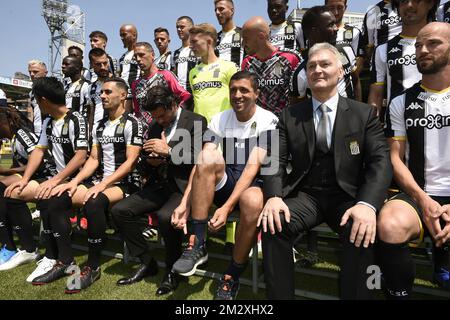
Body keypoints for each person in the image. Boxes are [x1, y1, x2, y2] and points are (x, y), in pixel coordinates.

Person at [259, 42, 392, 300]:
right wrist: (274, 197)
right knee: (273, 224)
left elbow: (380, 161)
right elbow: (273, 158)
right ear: (306, 75)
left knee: (362, 228)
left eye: (325, 64)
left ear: (340, 71)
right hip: (306, 196)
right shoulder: (288, 116)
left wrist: (367, 204)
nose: (317, 70)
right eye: (311, 66)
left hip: (349, 198)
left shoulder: (363, 114)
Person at [171, 71, 278, 300]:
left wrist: (227, 206)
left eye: (244, 90)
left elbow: (251, 169)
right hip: (229, 182)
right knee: (207, 157)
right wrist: (184, 203)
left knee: (252, 200)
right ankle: (198, 244)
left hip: (254, 185)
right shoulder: (220, 118)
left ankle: (232, 274)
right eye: (233, 90)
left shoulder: (269, 119)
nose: (237, 95)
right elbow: (202, 162)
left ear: (256, 94)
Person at [30, 77, 143, 293]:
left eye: (108, 92)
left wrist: (102, 185)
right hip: (103, 182)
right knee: (56, 199)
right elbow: (93, 159)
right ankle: (65, 262)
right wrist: (73, 183)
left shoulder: (132, 123)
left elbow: (130, 163)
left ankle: (92, 266)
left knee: (93, 202)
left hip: (127, 183)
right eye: (101, 92)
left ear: (123, 95)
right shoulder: (99, 125)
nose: (102, 95)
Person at [111, 85, 207, 296]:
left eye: (162, 115)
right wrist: (149, 162)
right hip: (159, 185)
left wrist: (170, 151)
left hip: (184, 188)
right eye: (156, 117)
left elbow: (201, 159)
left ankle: (173, 271)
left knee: (166, 217)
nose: (160, 120)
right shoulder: (155, 126)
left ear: (173, 104)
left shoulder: (196, 121)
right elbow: (147, 157)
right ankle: (147, 261)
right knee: (120, 211)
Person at [378, 22, 450, 299]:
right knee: (389, 223)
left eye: (433, 43)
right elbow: (395, 158)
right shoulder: (401, 102)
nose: (422, 50)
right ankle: (398, 291)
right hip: (419, 193)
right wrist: (423, 200)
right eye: (419, 45)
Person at [4, 77, 88, 283]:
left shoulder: (76, 119)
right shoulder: (49, 122)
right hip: (57, 179)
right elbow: (38, 151)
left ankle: (56, 257)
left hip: (80, 180)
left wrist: (55, 180)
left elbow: (81, 155)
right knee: (13, 193)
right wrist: (24, 179)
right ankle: (30, 250)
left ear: (43, 100)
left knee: (49, 198)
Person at [0, 107, 53, 271]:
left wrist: (8, 172)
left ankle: (12, 246)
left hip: (45, 176)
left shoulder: (23, 135)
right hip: (32, 177)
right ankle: (7, 243)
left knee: (5, 190)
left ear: (5, 123)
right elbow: (10, 166)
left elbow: (38, 161)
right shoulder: (10, 139)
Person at [368, 0, 439, 116]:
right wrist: (371, 129)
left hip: (441, 128)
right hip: (396, 127)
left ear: (430, 3)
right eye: (404, 1)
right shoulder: (382, 50)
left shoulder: (446, 44)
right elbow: (376, 95)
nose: (409, 5)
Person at [291, 6, 361, 102]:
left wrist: (358, 112)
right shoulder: (302, 72)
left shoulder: (346, 49)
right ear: (314, 31)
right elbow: (298, 106)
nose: (336, 28)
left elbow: (356, 81)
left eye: (335, 24)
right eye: (330, 25)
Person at [241, 16, 301, 117]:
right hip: (259, 126)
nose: (243, 44)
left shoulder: (291, 58)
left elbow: (301, 95)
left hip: (286, 124)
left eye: (246, 39)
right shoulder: (247, 63)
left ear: (261, 36)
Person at [132, 42, 191, 137]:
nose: (138, 59)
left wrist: (175, 120)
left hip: (166, 131)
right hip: (144, 135)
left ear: (152, 55)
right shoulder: (136, 84)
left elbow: (184, 97)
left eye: (142, 55)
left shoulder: (166, 75)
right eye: (135, 56)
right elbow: (137, 111)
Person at [188, 23, 239, 123]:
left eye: (194, 42)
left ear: (209, 41)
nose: (190, 46)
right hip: (199, 128)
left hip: (224, 126)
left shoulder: (229, 67)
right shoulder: (192, 72)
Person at [325, 0, 364, 75]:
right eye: (331, 7)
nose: (335, 12)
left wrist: (348, 79)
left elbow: (359, 59)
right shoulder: (318, 32)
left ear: (345, 8)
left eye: (339, 7)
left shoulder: (355, 32)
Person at [358, 0, 402, 65]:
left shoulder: (407, 6)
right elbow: (369, 45)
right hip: (382, 61)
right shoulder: (372, 12)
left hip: (406, 57)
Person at [172, 16, 200, 96]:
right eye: (177, 27)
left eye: (182, 27)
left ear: (191, 28)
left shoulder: (198, 50)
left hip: (195, 95)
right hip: (179, 97)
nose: (179, 30)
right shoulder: (174, 54)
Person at [87, 48, 114, 131]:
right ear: (91, 65)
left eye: (105, 63)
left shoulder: (119, 83)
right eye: (98, 64)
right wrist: (90, 133)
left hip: (114, 133)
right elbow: (91, 113)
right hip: (96, 133)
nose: (103, 67)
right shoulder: (91, 87)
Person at [214, 0, 245, 67]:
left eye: (221, 9)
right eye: (215, 10)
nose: (217, 12)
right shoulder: (214, 39)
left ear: (232, 11)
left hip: (238, 76)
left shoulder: (244, 33)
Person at [62, 55, 91, 120]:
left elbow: (91, 109)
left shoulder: (87, 85)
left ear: (77, 67)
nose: (63, 66)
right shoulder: (66, 87)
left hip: (81, 125)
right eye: (63, 64)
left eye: (66, 64)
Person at [28, 60, 48, 136]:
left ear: (45, 73)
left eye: (35, 71)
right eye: (30, 72)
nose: (32, 74)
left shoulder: (53, 89)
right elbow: (31, 113)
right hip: (36, 130)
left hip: (50, 130)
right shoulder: (31, 93)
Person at [119, 24, 140, 89]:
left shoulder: (141, 53)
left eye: (124, 35)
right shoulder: (122, 57)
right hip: (124, 94)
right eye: (121, 36)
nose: (122, 38)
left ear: (134, 35)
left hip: (136, 93)